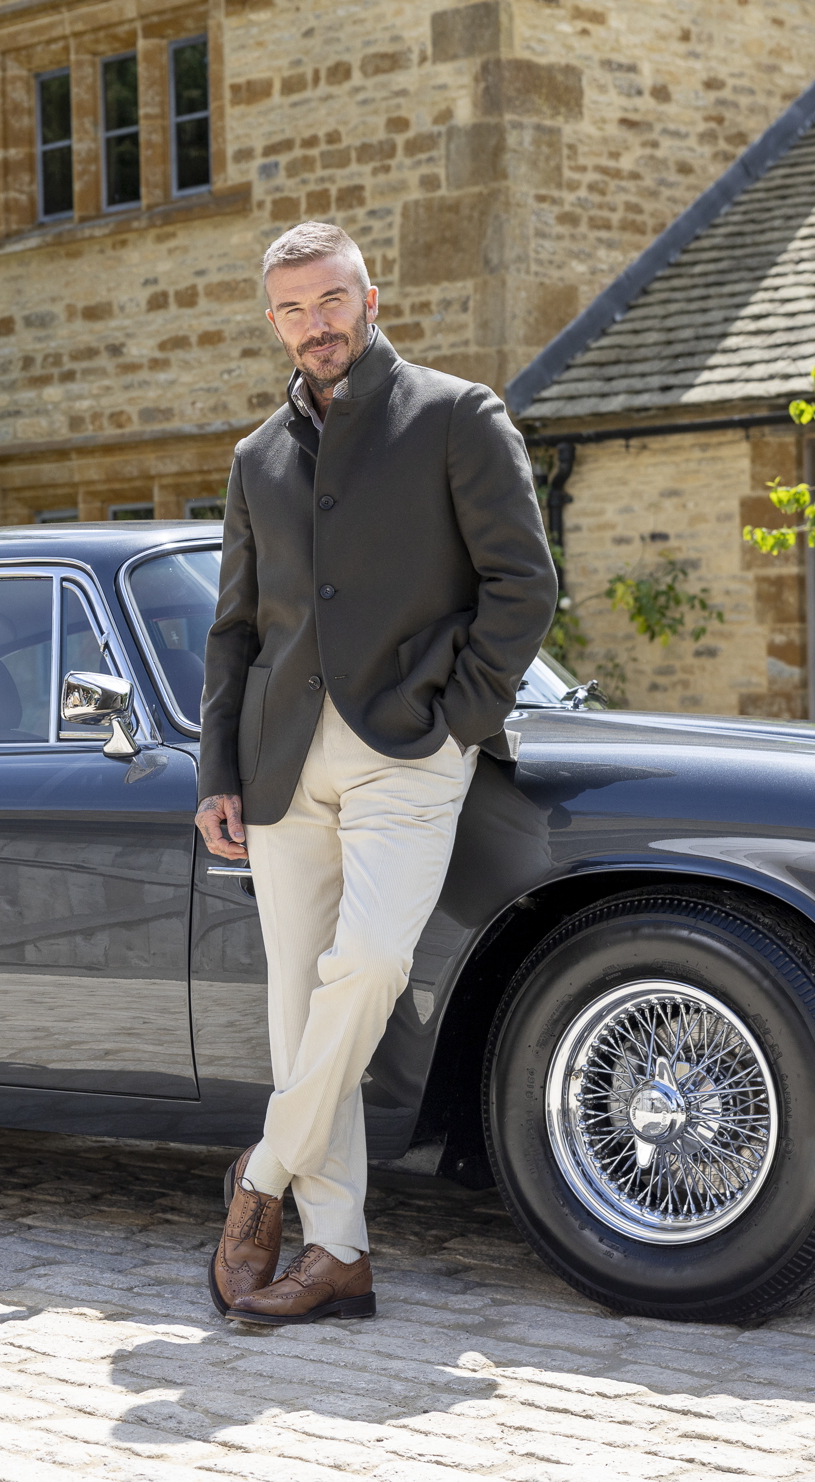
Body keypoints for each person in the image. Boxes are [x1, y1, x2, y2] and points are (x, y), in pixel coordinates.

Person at [197, 221, 557, 1324]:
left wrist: (456, 722)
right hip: (277, 766)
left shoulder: (454, 414)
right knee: (296, 1014)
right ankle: (336, 1252)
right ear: (273, 323)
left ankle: (259, 1179)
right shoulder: (257, 455)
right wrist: (218, 771)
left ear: (368, 297)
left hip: (409, 751)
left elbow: (522, 586)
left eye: (331, 300)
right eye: (293, 309)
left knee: (366, 970)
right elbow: (233, 629)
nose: (316, 324)